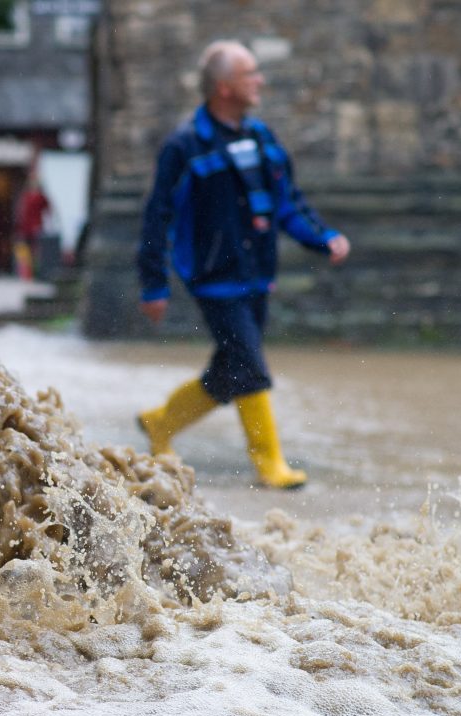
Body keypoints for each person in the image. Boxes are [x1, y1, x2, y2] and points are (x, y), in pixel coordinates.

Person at [135, 40, 351, 489]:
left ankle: (160, 423)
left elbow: (286, 202)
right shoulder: (183, 146)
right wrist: (153, 285)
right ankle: (270, 463)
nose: (261, 81)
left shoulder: (262, 138)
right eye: (251, 74)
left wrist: (322, 237)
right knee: (250, 367)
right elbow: (157, 216)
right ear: (224, 87)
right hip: (214, 280)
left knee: (231, 368)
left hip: (257, 275)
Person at [14, 175, 52, 279]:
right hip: (27, 228)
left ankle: (36, 273)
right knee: (25, 252)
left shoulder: (40, 197)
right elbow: (21, 213)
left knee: (35, 252)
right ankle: (26, 273)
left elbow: (49, 210)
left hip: (36, 228)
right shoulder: (26, 197)